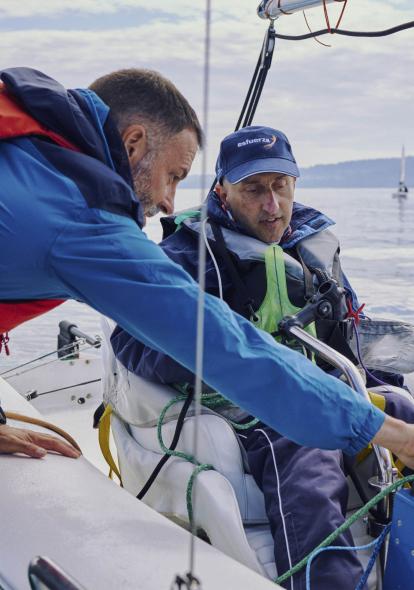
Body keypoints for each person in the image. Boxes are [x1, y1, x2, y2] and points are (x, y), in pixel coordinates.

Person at [0, 68, 414, 475]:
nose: (168, 202)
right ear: (133, 145)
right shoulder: (78, 220)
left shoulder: (32, 153)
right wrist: (392, 435)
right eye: (173, 176)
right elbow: (221, 345)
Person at [110, 126, 414, 589]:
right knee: (308, 451)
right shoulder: (185, 256)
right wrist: (218, 350)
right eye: (253, 189)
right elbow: (127, 340)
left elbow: (344, 340)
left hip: (324, 388)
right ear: (222, 191)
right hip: (248, 410)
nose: (271, 205)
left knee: (405, 408)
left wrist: (376, 384)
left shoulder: (312, 248)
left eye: (280, 187)